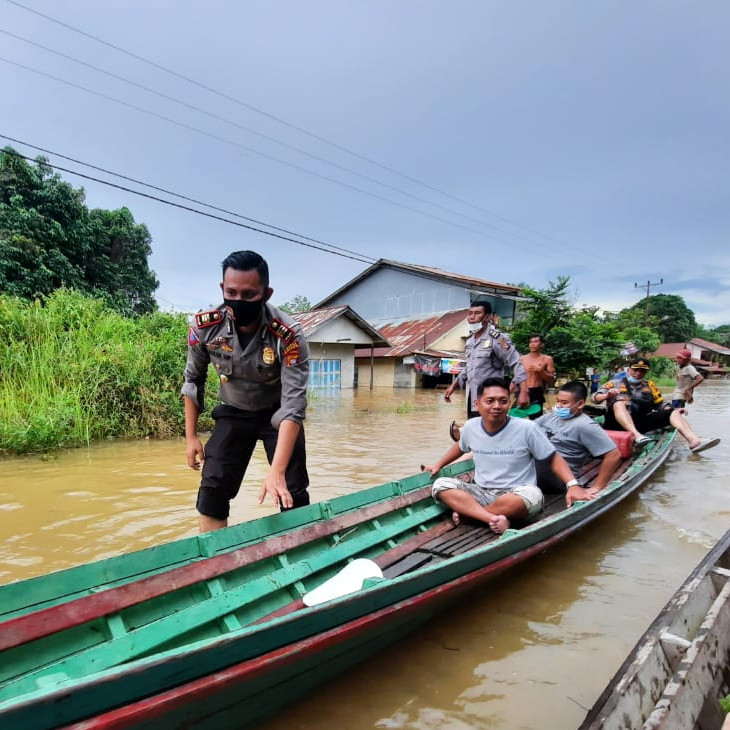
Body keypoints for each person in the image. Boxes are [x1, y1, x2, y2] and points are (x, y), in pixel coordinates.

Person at [182, 250, 311, 532]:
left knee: (292, 489)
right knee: (212, 489)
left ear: (266, 293)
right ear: (222, 289)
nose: (238, 301)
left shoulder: (288, 334)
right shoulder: (205, 328)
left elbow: (293, 407)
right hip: (233, 410)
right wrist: (191, 436)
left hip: (277, 414)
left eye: (249, 295)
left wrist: (276, 472)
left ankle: (300, 551)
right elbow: (193, 380)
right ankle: (217, 562)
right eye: (232, 292)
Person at [426, 377, 575, 534]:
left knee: (532, 495)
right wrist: (438, 465)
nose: (497, 406)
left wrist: (573, 485)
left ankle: (470, 516)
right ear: (477, 404)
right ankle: (490, 518)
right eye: (490, 401)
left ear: (509, 404)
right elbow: (460, 447)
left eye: (503, 401)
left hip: (516, 493)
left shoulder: (527, 428)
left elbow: (552, 457)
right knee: (440, 485)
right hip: (481, 491)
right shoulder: (471, 426)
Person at [592, 357, 719, 454]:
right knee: (619, 403)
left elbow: (660, 404)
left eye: (642, 371)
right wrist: (607, 396)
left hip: (640, 422)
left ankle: (694, 441)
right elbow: (594, 398)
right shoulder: (614, 383)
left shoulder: (650, 386)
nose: (638, 373)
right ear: (629, 369)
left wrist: (671, 410)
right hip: (616, 424)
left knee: (673, 412)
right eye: (636, 370)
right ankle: (637, 437)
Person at [444, 300, 528, 441]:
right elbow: (469, 367)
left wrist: (524, 392)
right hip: (474, 395)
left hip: (492, 397)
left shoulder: (497, 338)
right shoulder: (470, 341)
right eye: (470, 314)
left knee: (490, 433)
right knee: (477, 430)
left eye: (477, 313)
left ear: (488, 317)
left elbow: (516, 363)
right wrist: (454, 385)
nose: (472, 317)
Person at [534, 381, 622, 507]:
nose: (559, 406)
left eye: (564, 403)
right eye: (558, 401)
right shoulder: (550, 417)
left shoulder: (585, 426)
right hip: (540, 470)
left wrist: (597, 487)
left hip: (559, 479)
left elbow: (614, 455)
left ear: (580, 404)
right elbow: (528, 430)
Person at [520, 334, 556, 417]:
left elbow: (551, 380)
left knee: (536, 420)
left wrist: (541, 371)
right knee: (516, 418)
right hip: (523, 390)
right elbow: (516, 377)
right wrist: (509, 393)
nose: (532, 344)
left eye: (536, 342)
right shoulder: (522, 359)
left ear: (541, 345)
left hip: (536, 391)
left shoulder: (547, 359)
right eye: (531, 342)